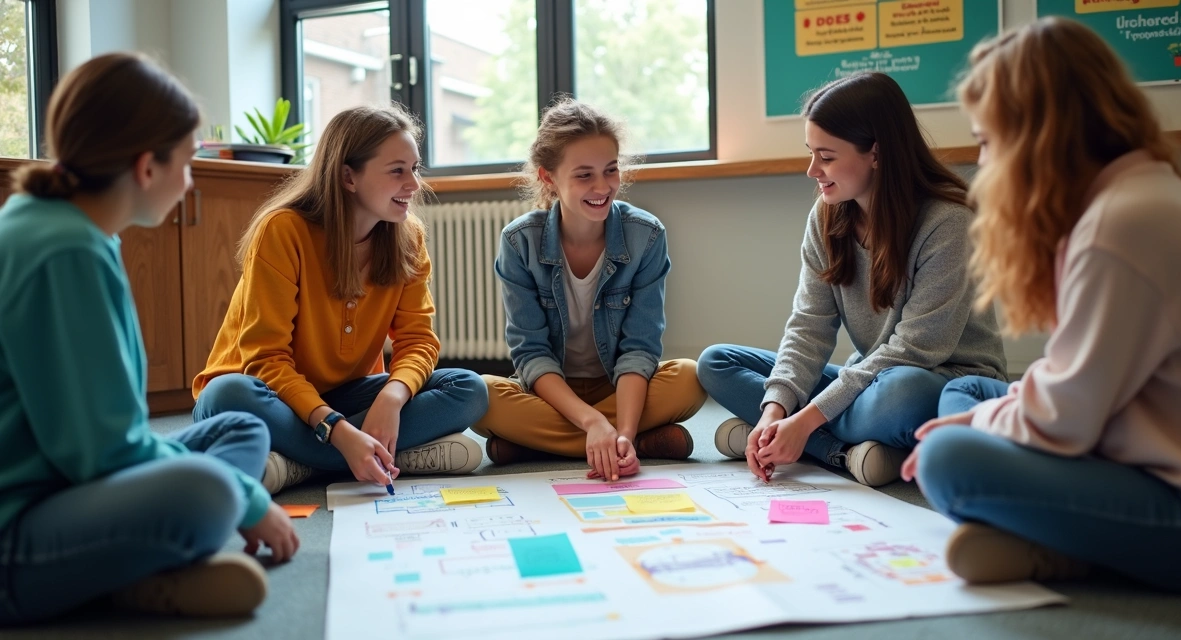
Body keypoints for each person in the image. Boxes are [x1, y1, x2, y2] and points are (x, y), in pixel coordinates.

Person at [903, 18, 1181, 594]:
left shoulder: (1120, 225)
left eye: (987, 141)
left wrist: (978, 427)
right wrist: (985, 415)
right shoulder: (1135, 197)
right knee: (971, 394)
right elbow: (1080, 381)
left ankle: (1070, 553)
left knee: (947, 456)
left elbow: (1063, 418)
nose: (983, 162)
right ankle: (1057, 541)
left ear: (1035, 137)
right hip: (1147, 445)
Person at [0, 52, 298, 625]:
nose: (189, 183)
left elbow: (106, 440)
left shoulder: (64, 226)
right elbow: (104, 452)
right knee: (212, 491)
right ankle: (130, 572)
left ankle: (136, 564)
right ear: (146, 168)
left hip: (61, 481)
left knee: (240, 428)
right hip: (19, 528)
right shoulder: (66, 249)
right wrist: (249, 499)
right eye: (187, 163)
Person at [698, 72, 1007, 487]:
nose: (812, 170)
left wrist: (804, 421)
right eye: (810, 153)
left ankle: (808, 442)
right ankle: (842, 453)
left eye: (826, 157)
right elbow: (808, 327)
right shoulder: (827, 216)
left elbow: (916, 350)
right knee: (717, 362)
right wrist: (774, 410)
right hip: (870, 378)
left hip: (940, 381)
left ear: (876, 153)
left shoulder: (948, 222)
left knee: (902, 395)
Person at [193, 106, 488, 495]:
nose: (414, 184)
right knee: (226, 394)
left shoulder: (409, 237)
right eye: (397, 171)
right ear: (349, 176)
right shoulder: (283, 231)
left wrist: (391, 398)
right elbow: (266, 360)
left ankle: (298, 463)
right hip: (267, 393)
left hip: (345, 395)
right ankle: (367, 454)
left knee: (468, 389)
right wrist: (337, 430)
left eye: (415, 169)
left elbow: (418, 341)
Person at [472, 98, 706, 481]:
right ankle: (622, 440)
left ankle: (551, 445)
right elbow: (531, 354)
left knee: (690, 380)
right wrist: (592, 421)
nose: (602, 186)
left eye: (610, 170)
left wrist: (623, 430)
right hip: (552, 393)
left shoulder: (646, 235)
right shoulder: (519, 242)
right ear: (548, 177)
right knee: (478, 395)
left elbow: (639, 348)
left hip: (617, 388)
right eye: (584, 175)